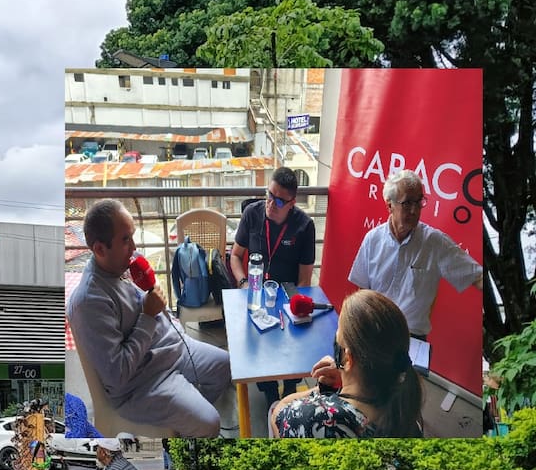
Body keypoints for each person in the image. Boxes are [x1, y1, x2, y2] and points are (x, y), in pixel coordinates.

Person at [67, 199, 231, 438]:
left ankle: (186, 420)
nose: (134, 248)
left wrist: (165, 317)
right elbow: (117, 374)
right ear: (100, 249)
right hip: (143, 383)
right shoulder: (89, 302)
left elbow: (153, 310)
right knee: (210, 422)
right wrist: (148, 316)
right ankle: (190, 427)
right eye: (125, 240)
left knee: (225, 365)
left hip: (172, 349)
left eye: (132, 236)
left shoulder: (123, 266)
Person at [349, 169, 483, 339]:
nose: (414, 210)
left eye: (419, 202)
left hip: (412, 336)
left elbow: (477, 277)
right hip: (377, 332)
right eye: (407, 203)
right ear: (389, 205)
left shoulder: (434, 242)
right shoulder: (373, 239)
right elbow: (362, 291)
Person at [271, 290, 423, 438]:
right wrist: (348, 382)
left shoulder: (314, 420)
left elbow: (279, 413)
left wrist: (323, 390)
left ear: (348, 359)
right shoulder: (407, 418)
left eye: (338, 334)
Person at [231, 167, 317, 403]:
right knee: (257, 344)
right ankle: (269, 390)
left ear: (292, 203)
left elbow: (304, 280)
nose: (270, 203)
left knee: (292, 342)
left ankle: (289, 388)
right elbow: (235, 256)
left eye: (279, 201)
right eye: (269, 195)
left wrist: (292, 309)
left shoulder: (304, 226)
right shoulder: (252, 213)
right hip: (255, 292)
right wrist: (242, 282)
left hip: (287, 294)